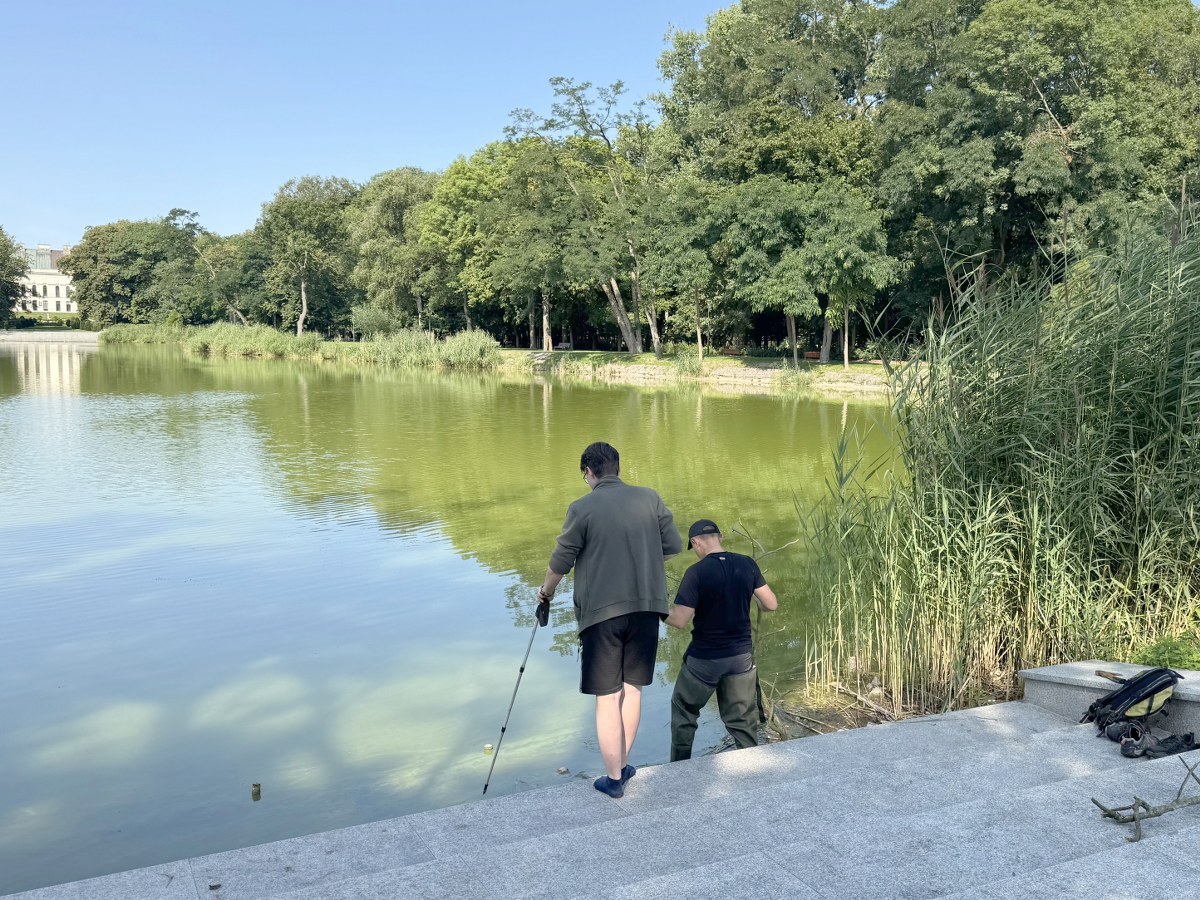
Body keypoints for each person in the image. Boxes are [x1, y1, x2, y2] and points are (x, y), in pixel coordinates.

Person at [537, 441, 681, 798]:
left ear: (589, 472)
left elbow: (561, 560)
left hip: (603, 615)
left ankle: (614, 778)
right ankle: (624, 764)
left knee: (607, 696)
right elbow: (674, 544)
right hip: (647, 609)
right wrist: (639, 555)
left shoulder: (582, 508)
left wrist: (546, 593)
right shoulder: (650, 498)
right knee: (633, 690)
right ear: (617, 467)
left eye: (584, 474)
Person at [665, 519, 778, 762]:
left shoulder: (696, 572)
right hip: (740, 659)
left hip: (704, 660)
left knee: (684, 711)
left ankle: (678, 768)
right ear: (721, 537)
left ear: (695, 542)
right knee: (742, 721)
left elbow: (679, 620)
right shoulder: (747, 564)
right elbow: (770, 604)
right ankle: (751, 768)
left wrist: (656, 610)